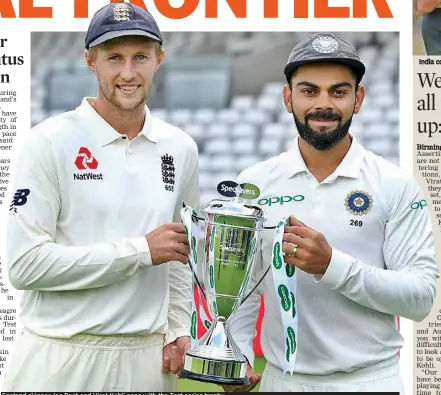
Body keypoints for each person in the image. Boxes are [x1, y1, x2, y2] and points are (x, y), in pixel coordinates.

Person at [223, 33, 439, 392]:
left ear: (359, 99)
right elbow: (242, 287)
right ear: (287, 98)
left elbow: (420, 299)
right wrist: (238, 354)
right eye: (309, 91)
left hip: (369, 381)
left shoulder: (394, 183)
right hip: (282, 381)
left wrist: (331, 266)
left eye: (338, 92)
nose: (323, 104)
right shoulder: (255, 183)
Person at [3, 2, 198, 392]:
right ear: (91, 61)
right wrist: (140, 251)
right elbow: (24, 267)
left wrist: (178, 327)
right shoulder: (49, 141)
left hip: (147, 363)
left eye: (140, 57)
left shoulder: (179, 148)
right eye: (114, 58)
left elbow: (178, 253)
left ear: (159, 59)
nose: (128, 73)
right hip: (60, 357)